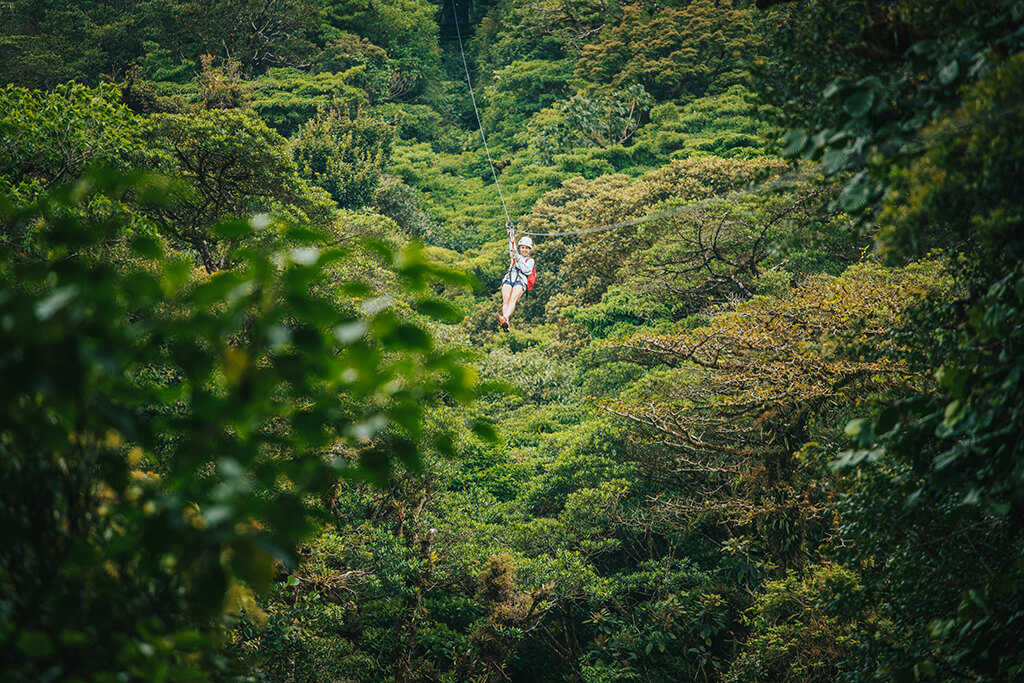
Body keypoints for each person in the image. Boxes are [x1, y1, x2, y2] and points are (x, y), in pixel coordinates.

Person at [498, 221, 534, 331]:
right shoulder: (514, 255)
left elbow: (527, 271)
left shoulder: (530, 260)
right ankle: (506, 321)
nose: (524, 250)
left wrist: (518, 258)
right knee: (506, 299)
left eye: (527, 248)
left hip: (520, 280)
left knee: (513, 298)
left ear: (529, 250)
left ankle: (505, 318)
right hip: (509, 278)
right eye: (522, 247)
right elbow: (512, 245)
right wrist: (511, 232)